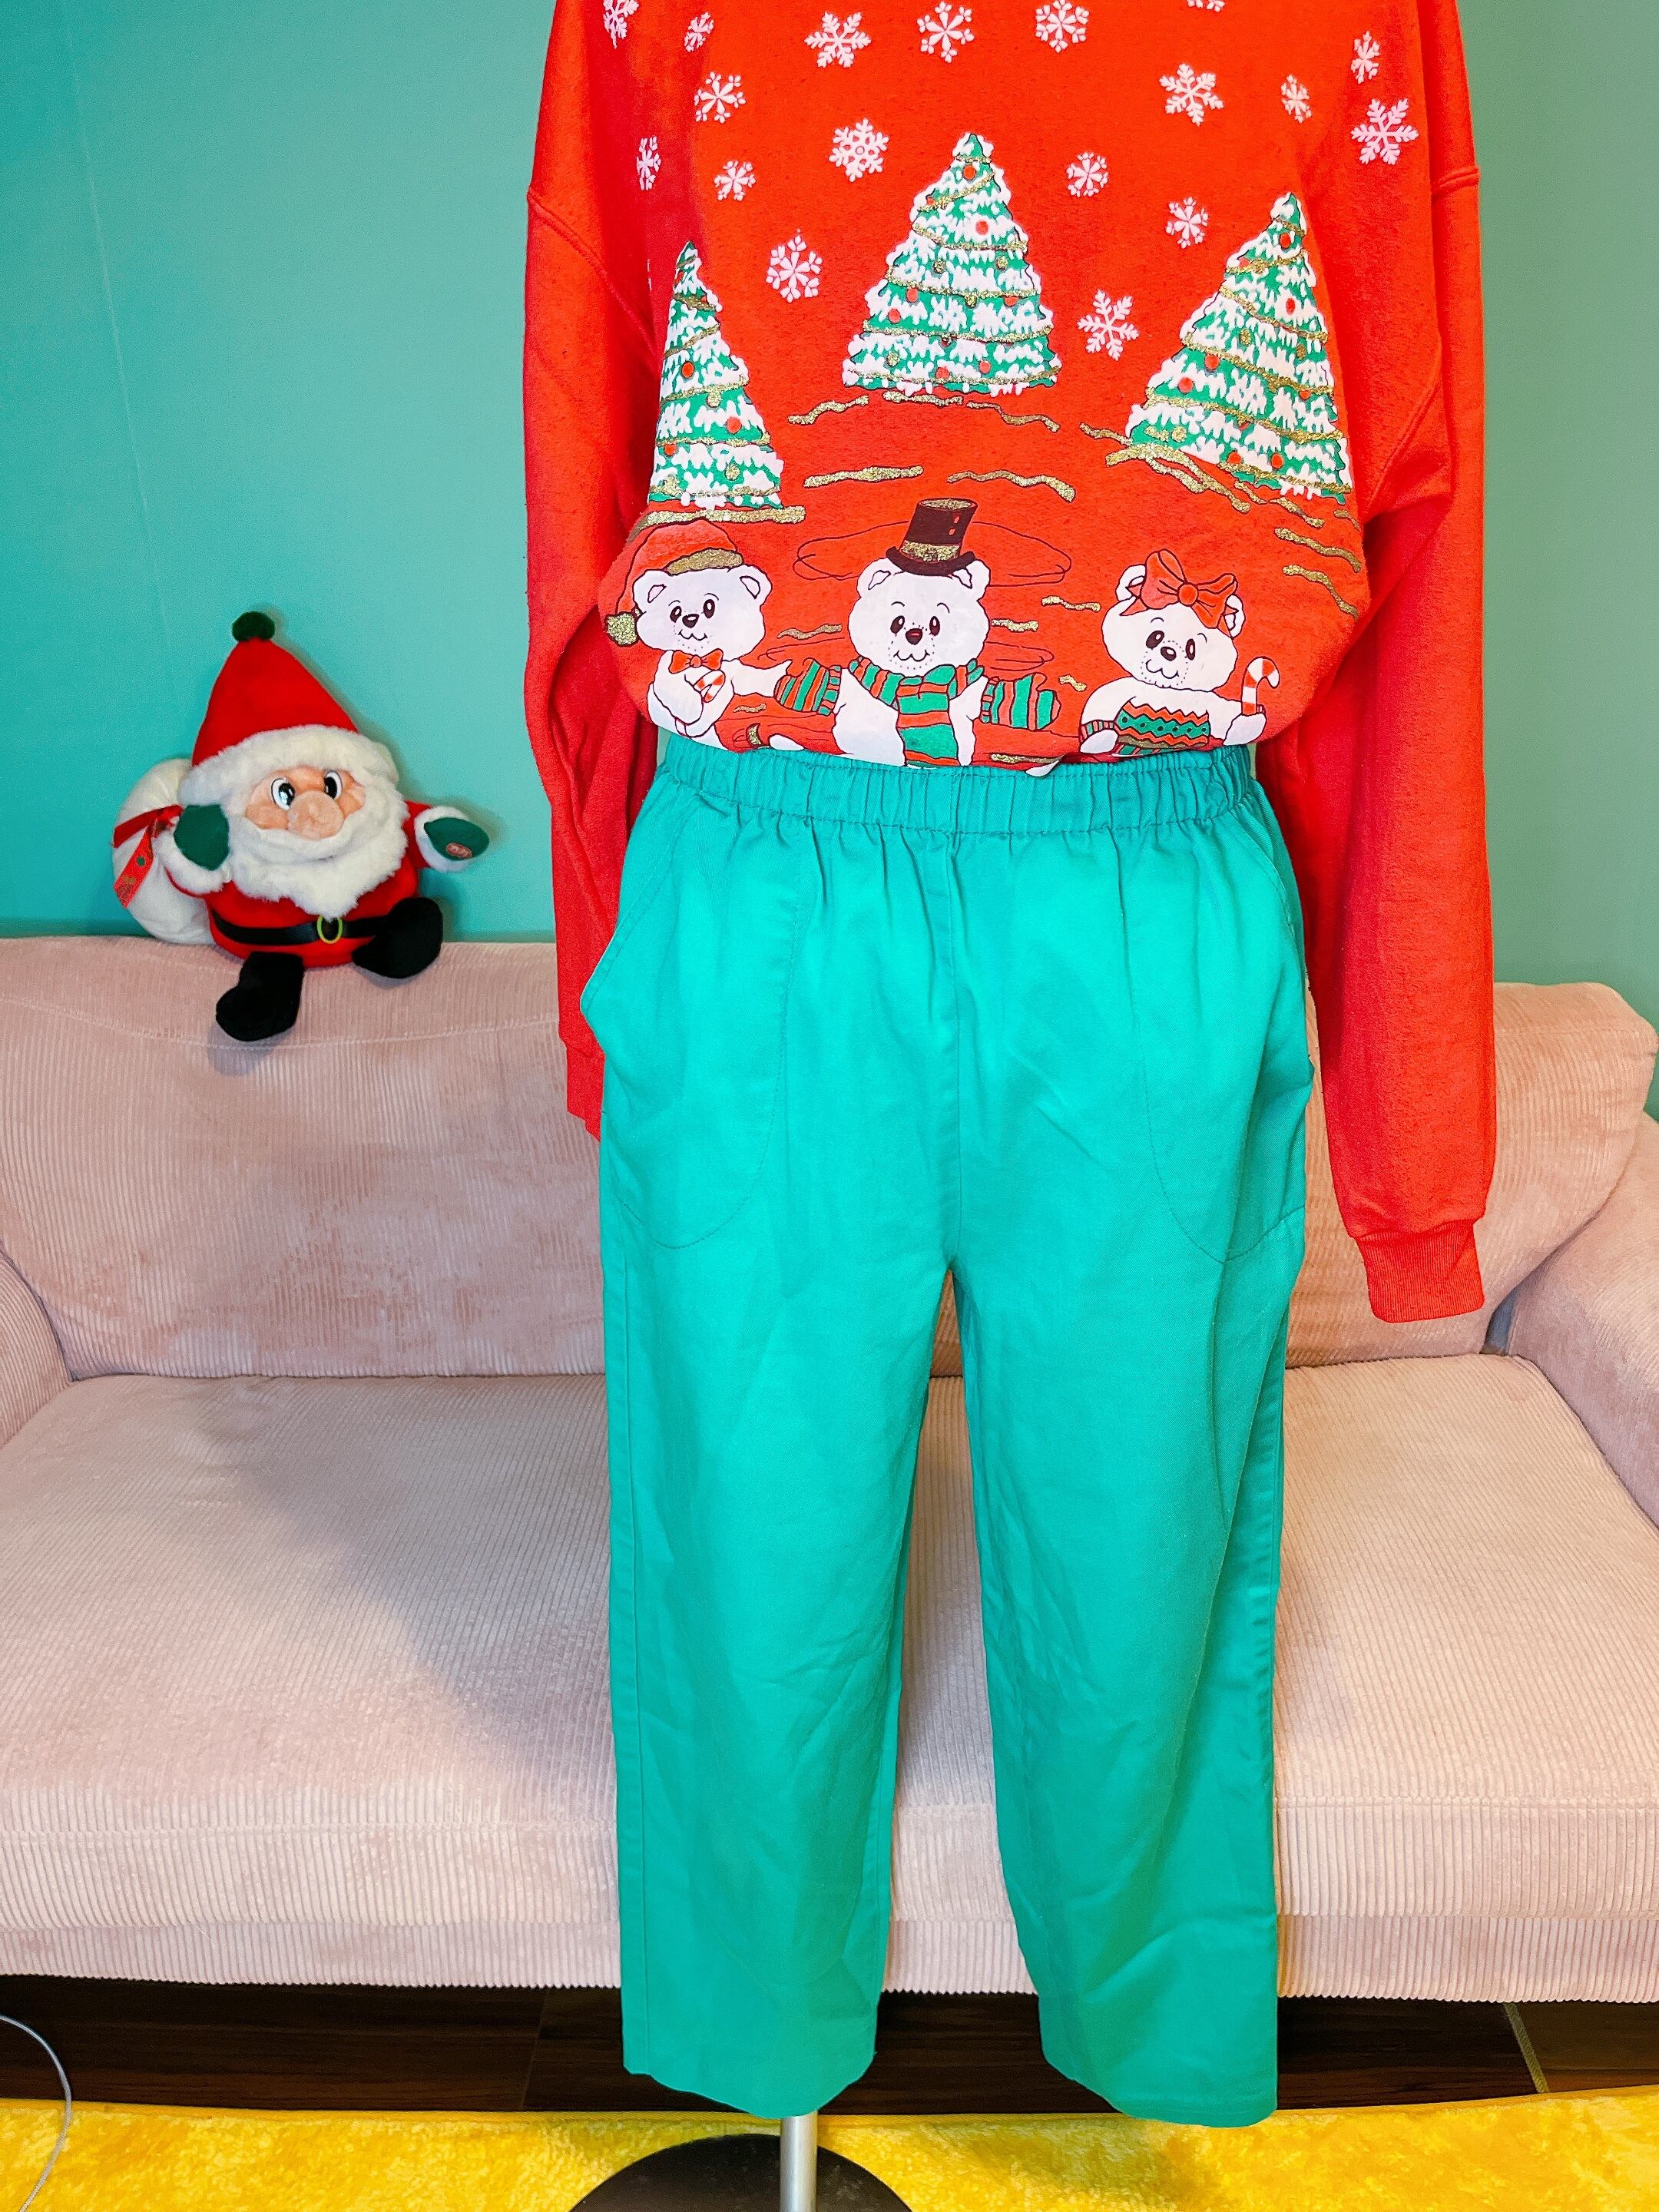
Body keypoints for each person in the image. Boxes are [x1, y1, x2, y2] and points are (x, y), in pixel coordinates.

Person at [523, 0, 1492, 2128]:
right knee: (744, 1525)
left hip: (1141, 866)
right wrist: (614, 982)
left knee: (1143, 1522)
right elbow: (588, 422)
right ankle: (758, 2052)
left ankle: (1144, 2050)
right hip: (763, 867)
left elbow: (1416, 505)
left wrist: (1413, 1128)